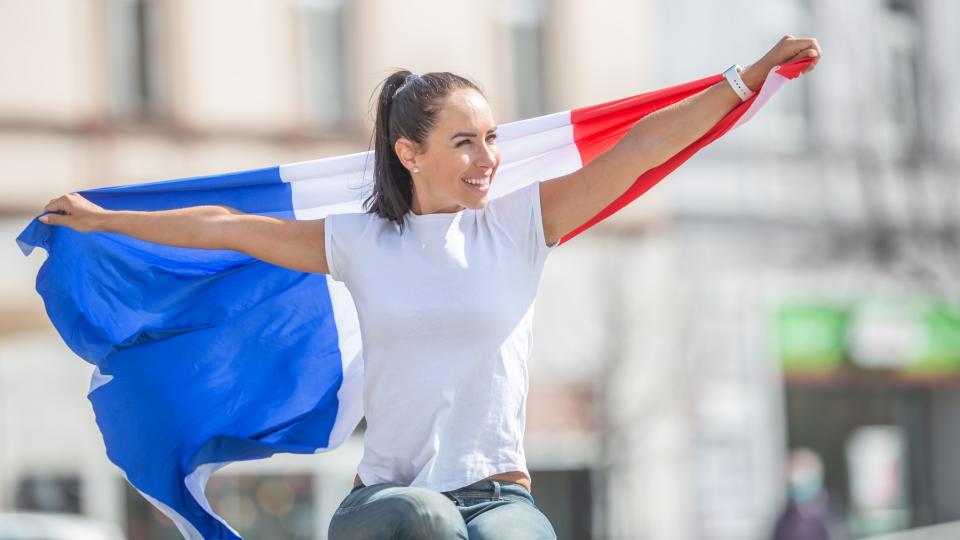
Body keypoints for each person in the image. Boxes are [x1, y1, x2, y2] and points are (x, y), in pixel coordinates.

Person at [39, 35, 820, 540]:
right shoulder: (361, 242)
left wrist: (743, 79)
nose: (488, 159)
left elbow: (643, 145)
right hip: (388, 507)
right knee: (427, 521)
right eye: (465, 143)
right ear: (409, 153)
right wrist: (104, 222)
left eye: (491, 139)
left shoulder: (520, 226)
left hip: (500, 499)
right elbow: (223, 226)